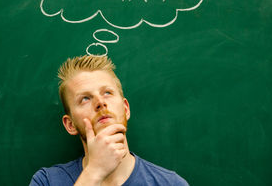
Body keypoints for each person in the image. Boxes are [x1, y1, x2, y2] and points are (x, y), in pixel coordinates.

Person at [30, 55, 189, 186]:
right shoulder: (47, 181)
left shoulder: (171, 183)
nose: (100, 102)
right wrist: (95, 172)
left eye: (107, 93)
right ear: (70, 124)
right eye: (85, 99)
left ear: (126, 109)